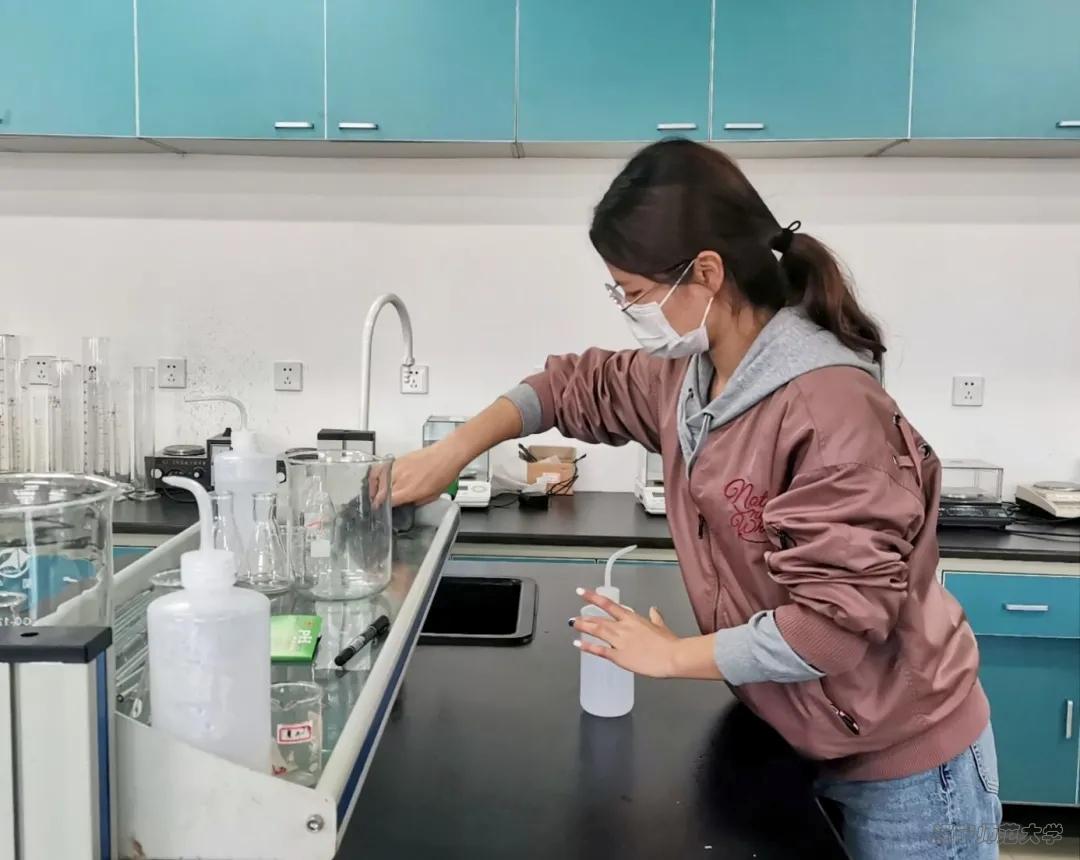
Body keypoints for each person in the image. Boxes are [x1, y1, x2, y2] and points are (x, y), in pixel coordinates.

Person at [390, 139, 1001, 860]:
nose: (628, 310)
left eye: (634, 293)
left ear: (706, 272)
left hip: (907, 764)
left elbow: (831, 631)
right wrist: (449, 452)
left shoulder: (831, 411)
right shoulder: (690, 377)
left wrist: (672, 656)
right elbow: (567, 387)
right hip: (796, 732)